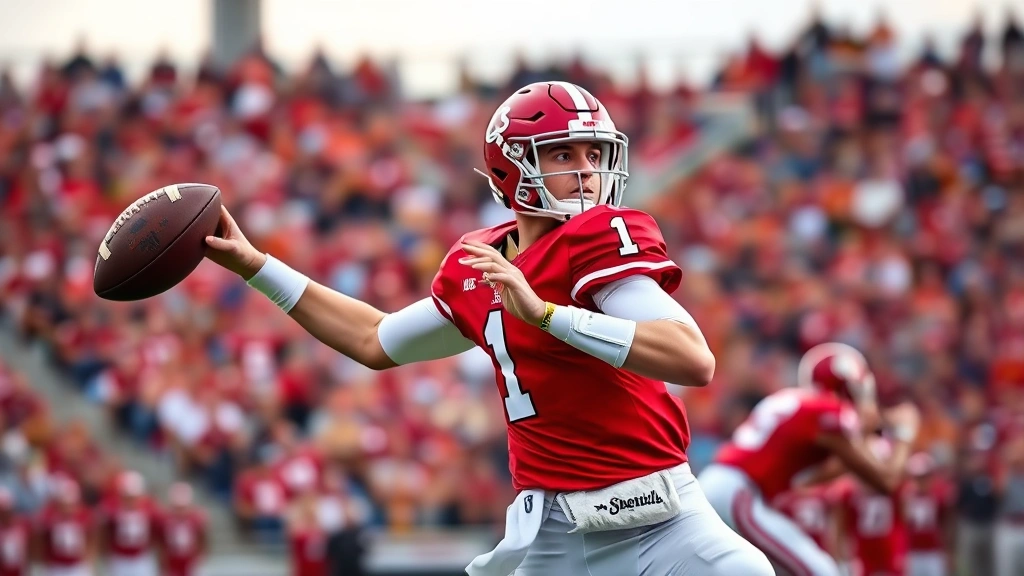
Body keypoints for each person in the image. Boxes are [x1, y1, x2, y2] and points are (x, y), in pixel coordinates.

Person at [204, 81, 772, 576]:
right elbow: (373, 340)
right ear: (512, 167)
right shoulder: (478, 267)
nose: (585, 171)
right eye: (562, 154)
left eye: (593, 152)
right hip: (556, 537)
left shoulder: (599, 238)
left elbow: (692, 357)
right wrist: (257, 266)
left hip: (665, 521)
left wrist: (547, 315)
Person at [697, 342, 921, 576]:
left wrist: (861, 435)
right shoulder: (829, 410)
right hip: (739, 494)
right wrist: (905, 434)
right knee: (820, 570)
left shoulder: (799, 403)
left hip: (722, 487)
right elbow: (885, 481)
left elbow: (808, 479)